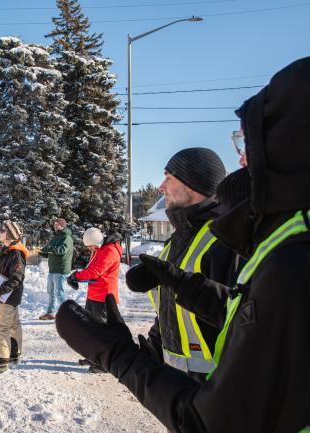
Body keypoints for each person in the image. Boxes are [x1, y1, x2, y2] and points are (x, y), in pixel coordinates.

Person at [55, 57, 310, 432]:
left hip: (207, 387)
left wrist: (117, 355)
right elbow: (234, 311)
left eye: (168, 178)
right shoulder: (183, 241)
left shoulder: (273, 251)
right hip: (183, 386)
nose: (242, 157)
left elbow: (219, 418)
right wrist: (156, 339)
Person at [140, 147, 232, 379]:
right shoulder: (176, 241)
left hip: (215, 382)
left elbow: (238, 316)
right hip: (178, 375)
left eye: (169, 178)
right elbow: (169, 306)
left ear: (193, 184)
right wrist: (153, 347)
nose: (161, 187)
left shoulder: (225, 239)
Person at [67, 227, 123, 372]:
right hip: (95, 294)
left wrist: (76, 276)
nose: (90, 249)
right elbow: (91, 268)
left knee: (102, 332)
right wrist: (78, 274)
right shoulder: (100, 250)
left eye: (90, 246)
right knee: (90, 328)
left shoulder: (110, 251)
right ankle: (93, 356)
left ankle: (103, 363)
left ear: (96, 242)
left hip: (104, 296)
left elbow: (95, 271)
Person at [0, 220, 29, 373]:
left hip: (9, 296)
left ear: (9, 234)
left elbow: (16, 278)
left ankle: (2, 360)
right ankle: (14, 354)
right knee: (14, 324)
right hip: (7, 296)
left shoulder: (16, 253)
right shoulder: (7, 249)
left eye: (2, 230)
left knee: (2, 326)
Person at [38, 217, 74, 320]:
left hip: (61, 269)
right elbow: (52, 251)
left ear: (62, 225)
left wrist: (49, 249)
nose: (55, 226)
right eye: (54, 224)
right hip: (53, 269)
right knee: (51, 293)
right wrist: (43, 252)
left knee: (59, 293)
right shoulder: (56, 237)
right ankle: (50, 313)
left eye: (57, 224)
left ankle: (69, 314)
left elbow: (62, 250)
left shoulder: (66, 237)